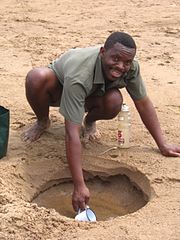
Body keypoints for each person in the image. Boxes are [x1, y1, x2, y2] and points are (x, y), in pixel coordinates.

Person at [23, 32, 180, 211]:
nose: (121, 66)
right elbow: (71, 133)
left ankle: (89, 122)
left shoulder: (131, 68)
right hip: (59, 88)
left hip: (93, 92)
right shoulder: (79, 74)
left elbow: (143, 104)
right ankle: (43, 122)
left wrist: (163, 144)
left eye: (127, 62)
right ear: (103, 52)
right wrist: (79, 185)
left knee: (114, 101)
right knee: (36, 77)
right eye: (115, 58)